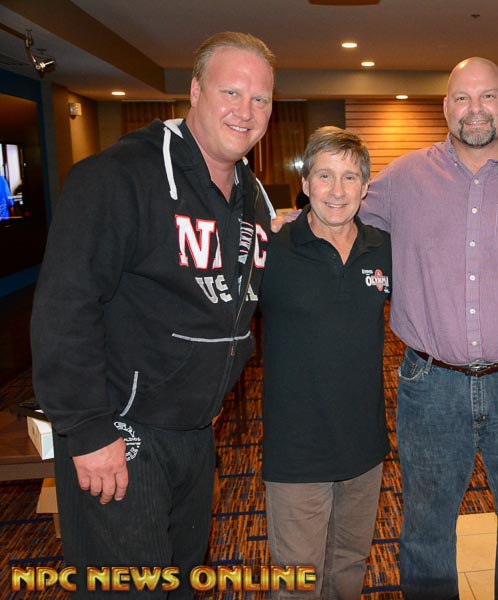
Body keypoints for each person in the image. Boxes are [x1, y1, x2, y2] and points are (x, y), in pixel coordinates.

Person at [30, 32, 275, 597]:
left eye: (260, 99)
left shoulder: (252, 197)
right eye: (231, 92)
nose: (245, 111)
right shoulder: (119, 177)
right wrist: (88, 431)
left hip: (195, 432)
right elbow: (64, 307)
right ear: (195, 91)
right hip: (120, 431)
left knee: (181, 580)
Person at [358, 57, 498, 600]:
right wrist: (273, 225)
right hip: (430, 384)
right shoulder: (403, 179)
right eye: (461, 98)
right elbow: (334, 211)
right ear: (445, 107)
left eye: (487, 97)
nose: (474, 109)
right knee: (425, 531)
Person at [260, 127, 390, 599]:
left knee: (349, 567)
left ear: (365, 187)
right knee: (298, 579)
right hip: (297, 449)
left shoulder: (382, 247)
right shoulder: (271, 249)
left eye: (350, 177)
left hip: (364, 446)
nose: (337, 190)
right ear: (305, 182)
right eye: (325, 176)